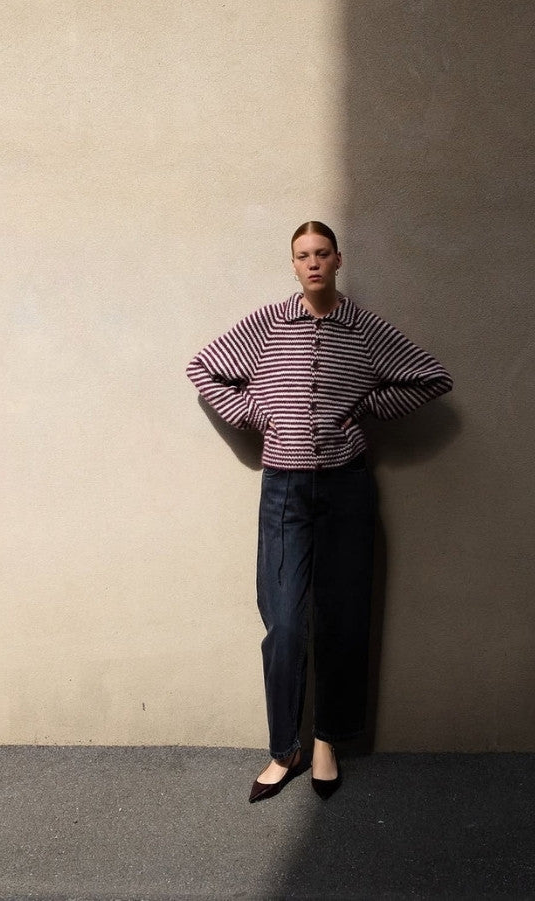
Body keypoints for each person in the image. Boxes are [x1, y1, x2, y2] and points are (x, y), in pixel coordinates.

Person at [186, 221, 452, 802]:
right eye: (302, 255)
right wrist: (260, 416)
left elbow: (433, 378)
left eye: (322, 254)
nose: (312, 263)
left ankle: (328, 740)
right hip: (284, 487)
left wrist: (366, 407)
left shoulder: (364, 328)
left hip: (347, 488)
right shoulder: (266, 324)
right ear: (293, 264)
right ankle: (285, 748)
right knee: (283, 620)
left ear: (337, 260)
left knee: (343, 617)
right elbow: (202, 369)